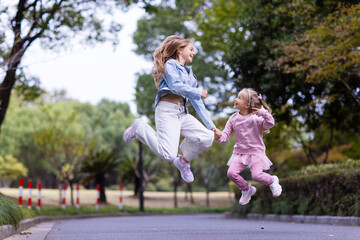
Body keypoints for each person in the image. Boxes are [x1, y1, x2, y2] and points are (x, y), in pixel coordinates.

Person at [123, 35, 220, 183]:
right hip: (167, 111)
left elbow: (197, 103)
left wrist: (212, 127)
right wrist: (197, 92)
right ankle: (139, 127)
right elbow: (175, 86)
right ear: (180, 50)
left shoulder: (190, 75)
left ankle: (183, 162)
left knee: (207, 138)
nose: (194, 53)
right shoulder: (170, 65)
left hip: (182, 114)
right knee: (168, 155)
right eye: (191, 49)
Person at [214, 88, 282, 205]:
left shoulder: (256, 118)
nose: (235, 99)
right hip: (240, 153)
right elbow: (224, 136)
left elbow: (270, 123)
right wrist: (217, 136)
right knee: (231, 173)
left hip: (256, 152)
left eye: (239, 98)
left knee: (256, 176)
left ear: (247, 105)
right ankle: (246, 189)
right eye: (237, 96)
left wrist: (263, 113)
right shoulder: (233, 119)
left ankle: (272, 180)